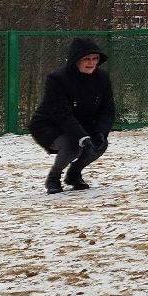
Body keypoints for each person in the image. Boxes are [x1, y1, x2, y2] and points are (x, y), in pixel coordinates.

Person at [30, 37, 116, 194]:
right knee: (72, 145)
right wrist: (82, 136)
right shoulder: (57, 79)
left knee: (99, 144)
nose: (91, 63)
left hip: (82, 123)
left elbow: (107, 110)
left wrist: (100, 133)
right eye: (86, 59)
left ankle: (74, 174)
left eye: (95, 58)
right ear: (76, 59)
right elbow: (61, 113)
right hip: (49, 125)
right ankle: (53, 178)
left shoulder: (102, 77)